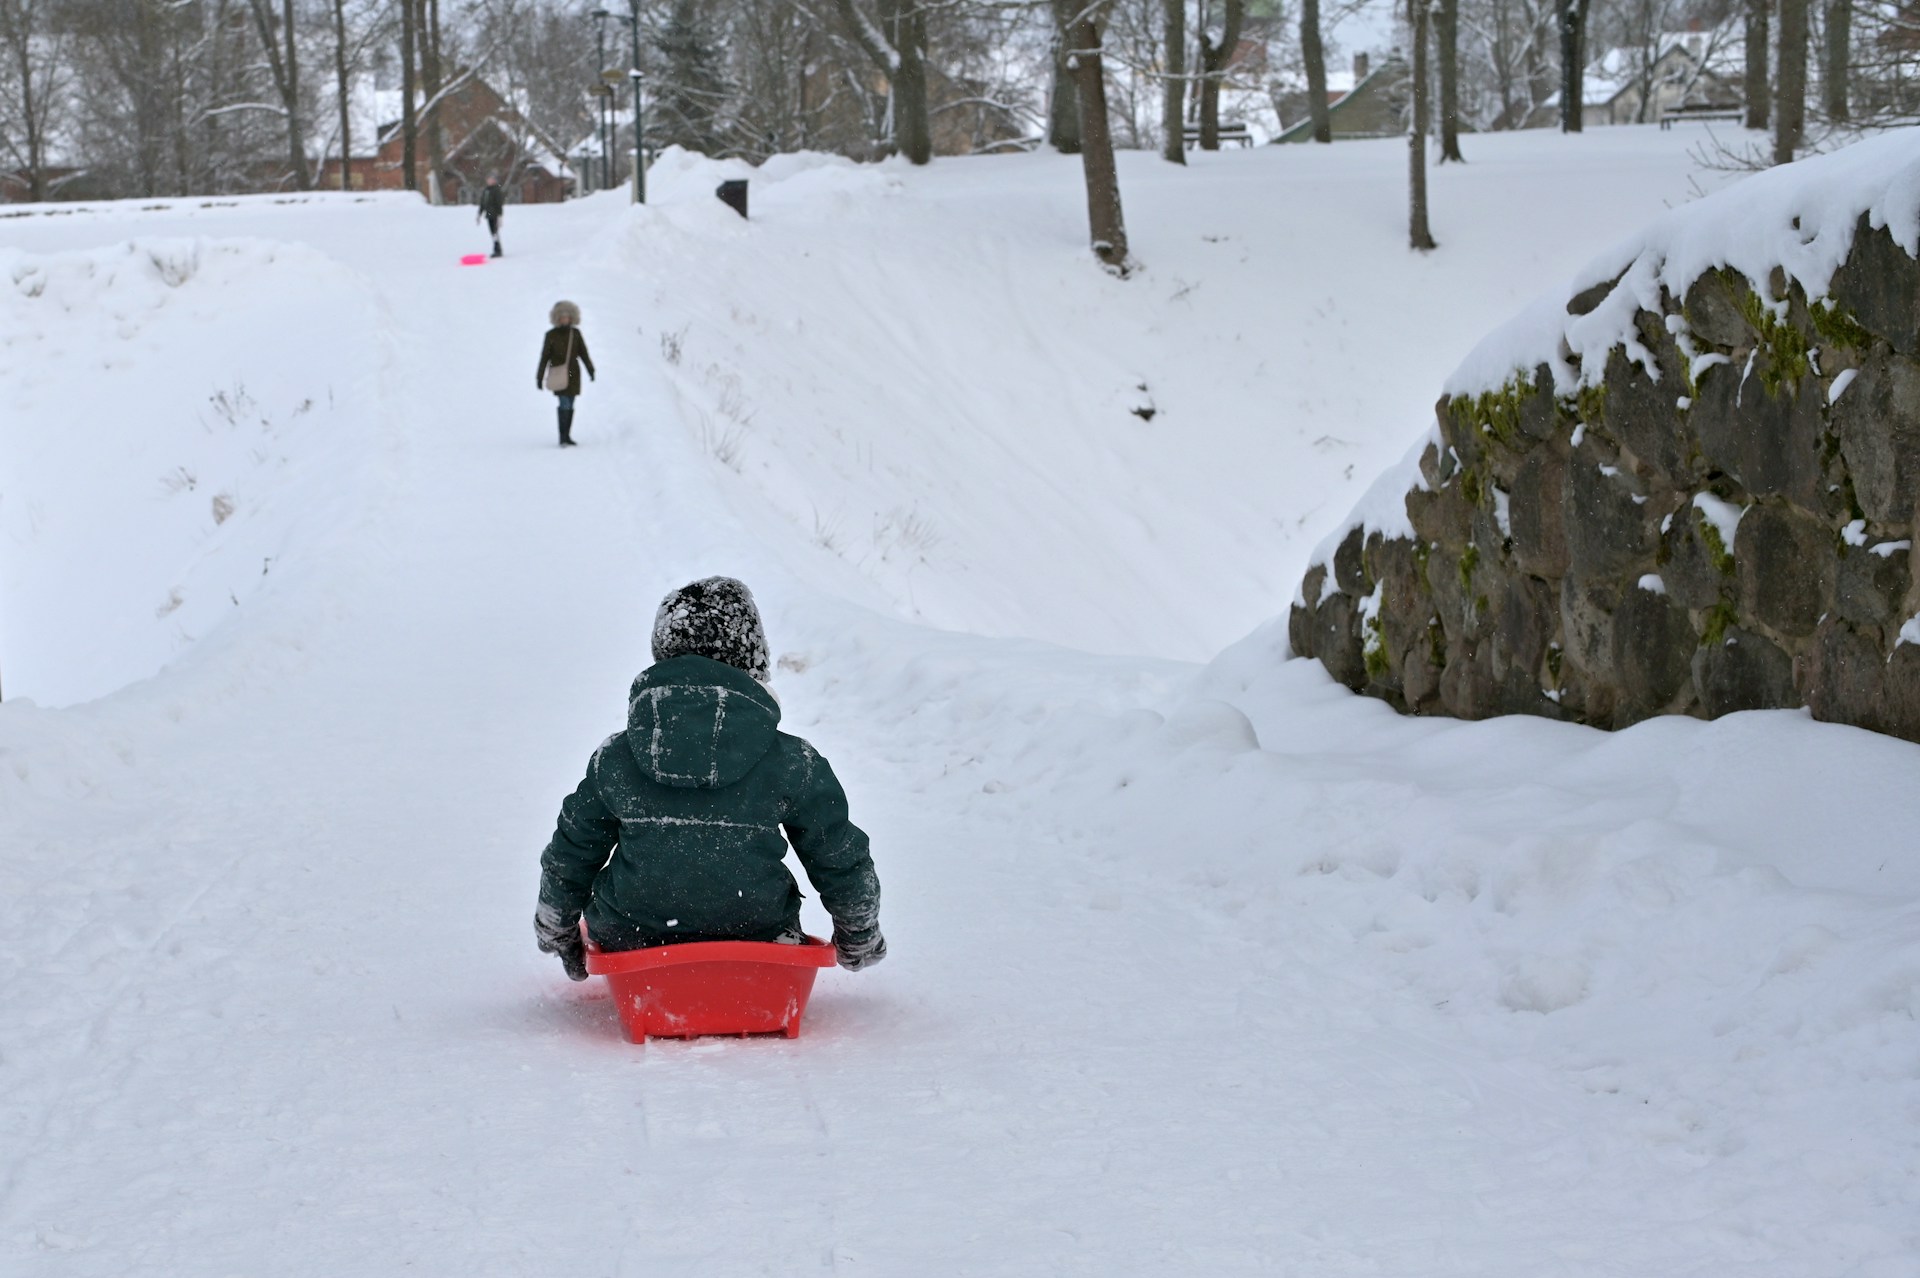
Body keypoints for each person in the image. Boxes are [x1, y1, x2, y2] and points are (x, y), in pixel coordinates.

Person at [534, 577, 886, 980]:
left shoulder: (617, 758)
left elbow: (572, 852)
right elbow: (838, 856)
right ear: (753, 660)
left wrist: (558, 927)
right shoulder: (792, 761)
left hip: (633, 939)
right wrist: (858, 932)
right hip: (758, 939)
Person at [535, 300, 595, 447]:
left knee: (571, 403)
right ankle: (562, 437)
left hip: (573, 373)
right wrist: (539, 376)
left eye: (567, 316)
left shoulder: (575, 333)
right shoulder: (551, 335)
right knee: (564, 403)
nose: (564, 319)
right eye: (561, 316)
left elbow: (583, 353)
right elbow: (544, 357)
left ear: (572, 317)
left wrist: (590, 369)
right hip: (558, 374)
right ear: (556, 318)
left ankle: (567, 435)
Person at [476, 176, 506, 257]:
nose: (488, 181)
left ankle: (498, 250)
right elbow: (483, 203)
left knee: (495, 232)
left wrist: (499, 215)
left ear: (494, 181)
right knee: (492, 232)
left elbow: (499, 203)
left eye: (490, 179)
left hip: (495, 214)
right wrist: (479, 214)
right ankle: (496, 248)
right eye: (488, 179)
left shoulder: (496, 190)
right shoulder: (486, 190)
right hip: (488, 214)